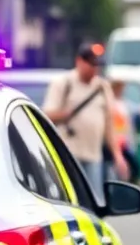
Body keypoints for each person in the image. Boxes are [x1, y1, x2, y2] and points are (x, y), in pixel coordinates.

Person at [42, 44, 128, 194]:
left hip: (94, 155)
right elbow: (46, 115)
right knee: (71, 197)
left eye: (98, 65)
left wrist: (117, 154)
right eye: (91, 64)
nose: (94, 69)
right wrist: (65, 114)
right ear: (79, 61)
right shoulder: (64, 83)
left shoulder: (102, 87)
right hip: (69, 154)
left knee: (93, 199)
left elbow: (109, 125)